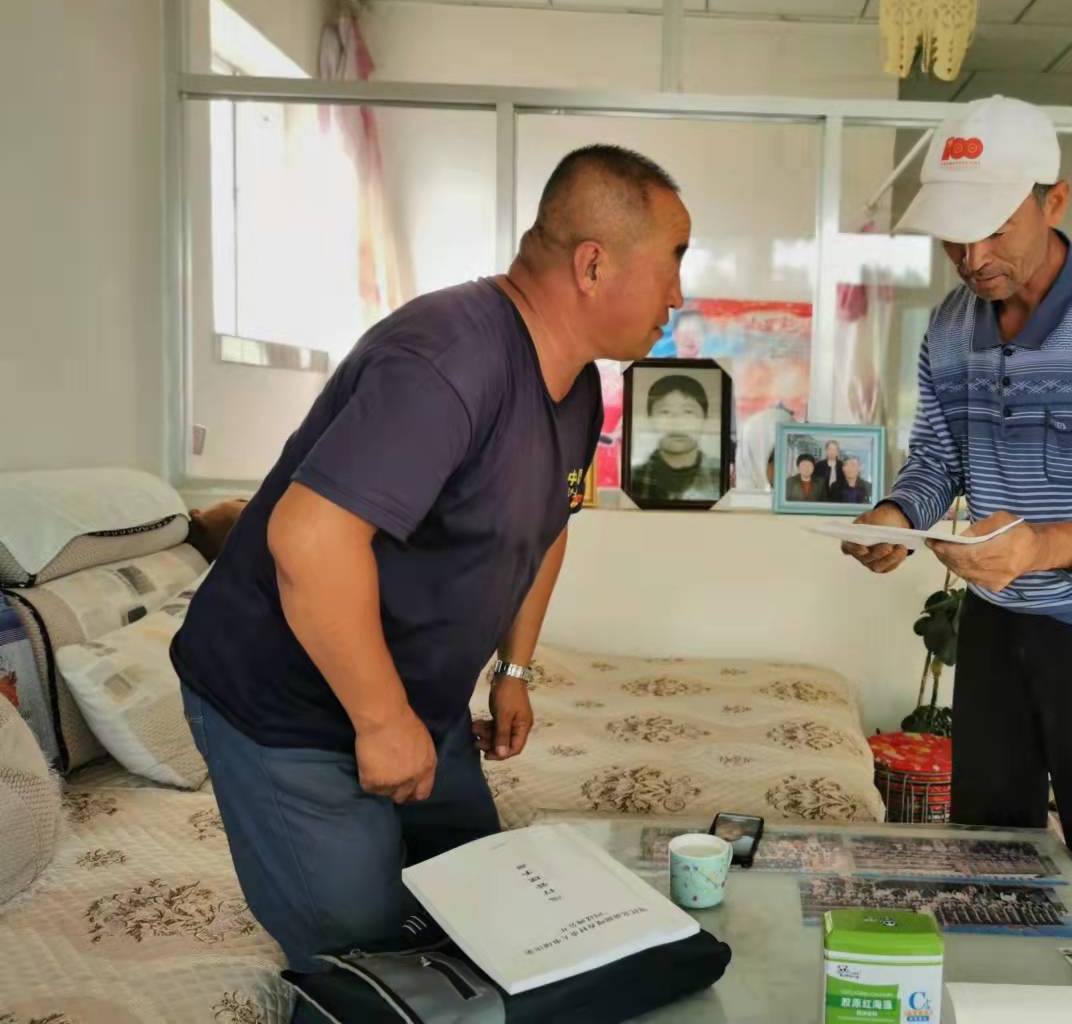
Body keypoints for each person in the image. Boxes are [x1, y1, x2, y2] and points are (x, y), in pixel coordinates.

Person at [170, 144, 690, 985]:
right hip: (289, 711)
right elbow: (309, 540)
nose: (678, 294)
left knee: (484, 914)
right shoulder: (448, 359)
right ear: (593, 265)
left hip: (423, 704)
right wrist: (381, 722)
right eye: (674, 260)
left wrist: (514, 669)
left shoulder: (579, 387)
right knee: (372, 960)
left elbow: (547, 526)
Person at [842, 96, 1072, 978]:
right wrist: (898, 515)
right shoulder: (950, 327)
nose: (972, 257)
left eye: (993, 228)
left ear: (1054, 201)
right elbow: (937, 461)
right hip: (999, 624)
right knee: (988, 861)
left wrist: (1040, 546)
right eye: (953, 237)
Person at [629, 373, 723, 502]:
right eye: (665, 412)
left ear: (705, 419)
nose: (677, 422)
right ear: (650, 420)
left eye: (688, 412)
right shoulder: (632, 479)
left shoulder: (722, 476)